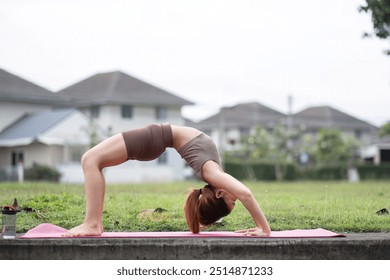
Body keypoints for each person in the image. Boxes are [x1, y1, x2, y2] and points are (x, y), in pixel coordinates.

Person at [64, 123, 271, 237]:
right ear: (219, 193)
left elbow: (246, 194)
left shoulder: (212, 175)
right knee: (92, 160)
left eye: (233, 202)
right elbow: (245, 194)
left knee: (90, 160)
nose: (236, 198)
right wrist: (263, 228)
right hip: (157, 137)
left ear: (218, 192)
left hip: (156, 138)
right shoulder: (215, 173)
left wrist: (264, 230)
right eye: (233, 202)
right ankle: (95, 223)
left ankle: (92, 223)